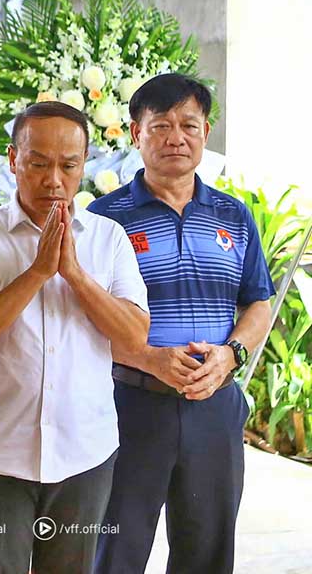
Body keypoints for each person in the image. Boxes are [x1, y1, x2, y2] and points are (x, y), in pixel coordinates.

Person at [0, 102, 150, 574]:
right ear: (14, 160)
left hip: (84, 451)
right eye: (38, 163)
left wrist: (74, 274)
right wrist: (38, 271)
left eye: (68, 165)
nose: (53, 180)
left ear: (84, 166)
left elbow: (136, 336)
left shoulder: (108, 238)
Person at [90, 74, 274, 574]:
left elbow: (259, 302)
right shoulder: (104, 220)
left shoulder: (234, 216)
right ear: (135, 133)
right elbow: (81, 319)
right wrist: (148, 358)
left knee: (207, 550)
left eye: (188, 125)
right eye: (162, 125)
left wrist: (231, 354)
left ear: (205, 131)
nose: (176, 137)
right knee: (112, 550)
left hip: (214, 406)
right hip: (127, 406)